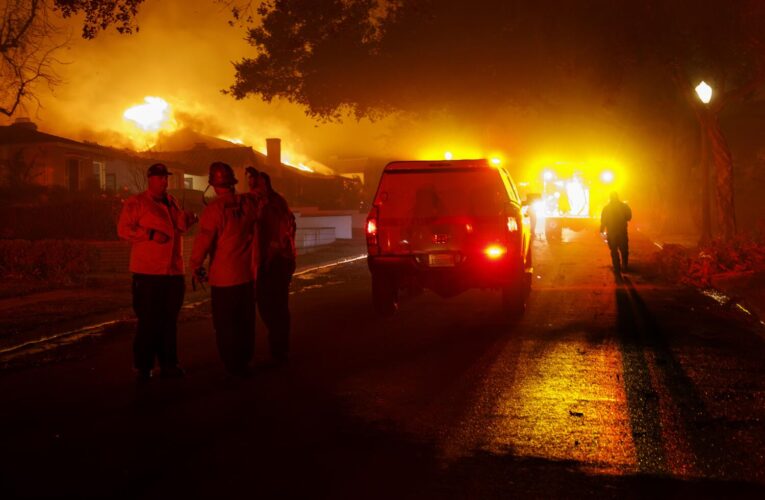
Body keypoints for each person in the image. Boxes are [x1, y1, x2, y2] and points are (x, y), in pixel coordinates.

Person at [117, 163, 197, 381]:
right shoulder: (137, 203)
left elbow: (178, 227)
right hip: (148, 274)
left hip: (172, 273)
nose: (165, 181)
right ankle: (143, 367)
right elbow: (123, 229)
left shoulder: (171, 202)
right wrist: (150, 234)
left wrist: (189, 219)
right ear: (150, 179)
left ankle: (169, 364)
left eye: (166, 177)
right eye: (161, 177)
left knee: (169, 321)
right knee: (149, 321)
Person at [190, 162, 261, 376]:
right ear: (232, 183)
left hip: (223, 280)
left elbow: (203, 241)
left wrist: (194, 265)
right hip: (246, 276)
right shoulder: (247, 204)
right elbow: (257, 199)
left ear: (212, 184)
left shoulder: (214, 211)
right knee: (245, 322)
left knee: (225, 324)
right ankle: (245, 360)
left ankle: (232, 365)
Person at [247, 169, 296, 365]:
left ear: (264, 185)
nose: (251, 188)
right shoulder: (262, 203)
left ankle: (279, 349)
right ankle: (278, 347)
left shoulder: (274, 204)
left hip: (276, 263)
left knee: (276, 307)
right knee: (269, 306)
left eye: (254, 184)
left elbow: (279, 233)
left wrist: (269, 257)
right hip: (268, 263)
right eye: (250, 184)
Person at [600, 191, 633, 279]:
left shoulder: (606, 208)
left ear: (610, 198)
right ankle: (624, 265)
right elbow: (629, 217)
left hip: (611, 232)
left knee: (613, 250)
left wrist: (601, 230)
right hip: (622, 231)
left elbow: (603, 220)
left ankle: (616, 267)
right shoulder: (624, 206)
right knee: (624, 249)